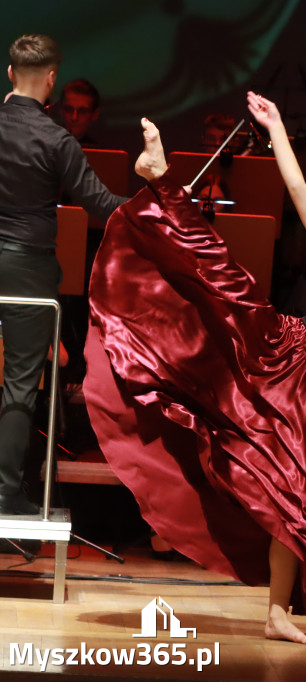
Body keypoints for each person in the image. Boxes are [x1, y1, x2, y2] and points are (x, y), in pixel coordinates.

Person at [83, 92, 306, 646]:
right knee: (219, 280)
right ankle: (162, 179)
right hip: (282, 353)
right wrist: (275, 129)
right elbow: (297, 189)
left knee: (295, 500)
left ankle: (275, 614)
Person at [0, 34, 124, 516]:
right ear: (51, 80)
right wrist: (157, 201)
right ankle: (6, 494)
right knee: (19, 382)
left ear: (10, 73)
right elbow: (101, 205)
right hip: (27, 267)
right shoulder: (56, 139)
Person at [57, 78, 101, 147]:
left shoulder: (102, 155)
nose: (74, 117)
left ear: (95, 114)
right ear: (61, 110)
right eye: (69, 109)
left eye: (82, 111)